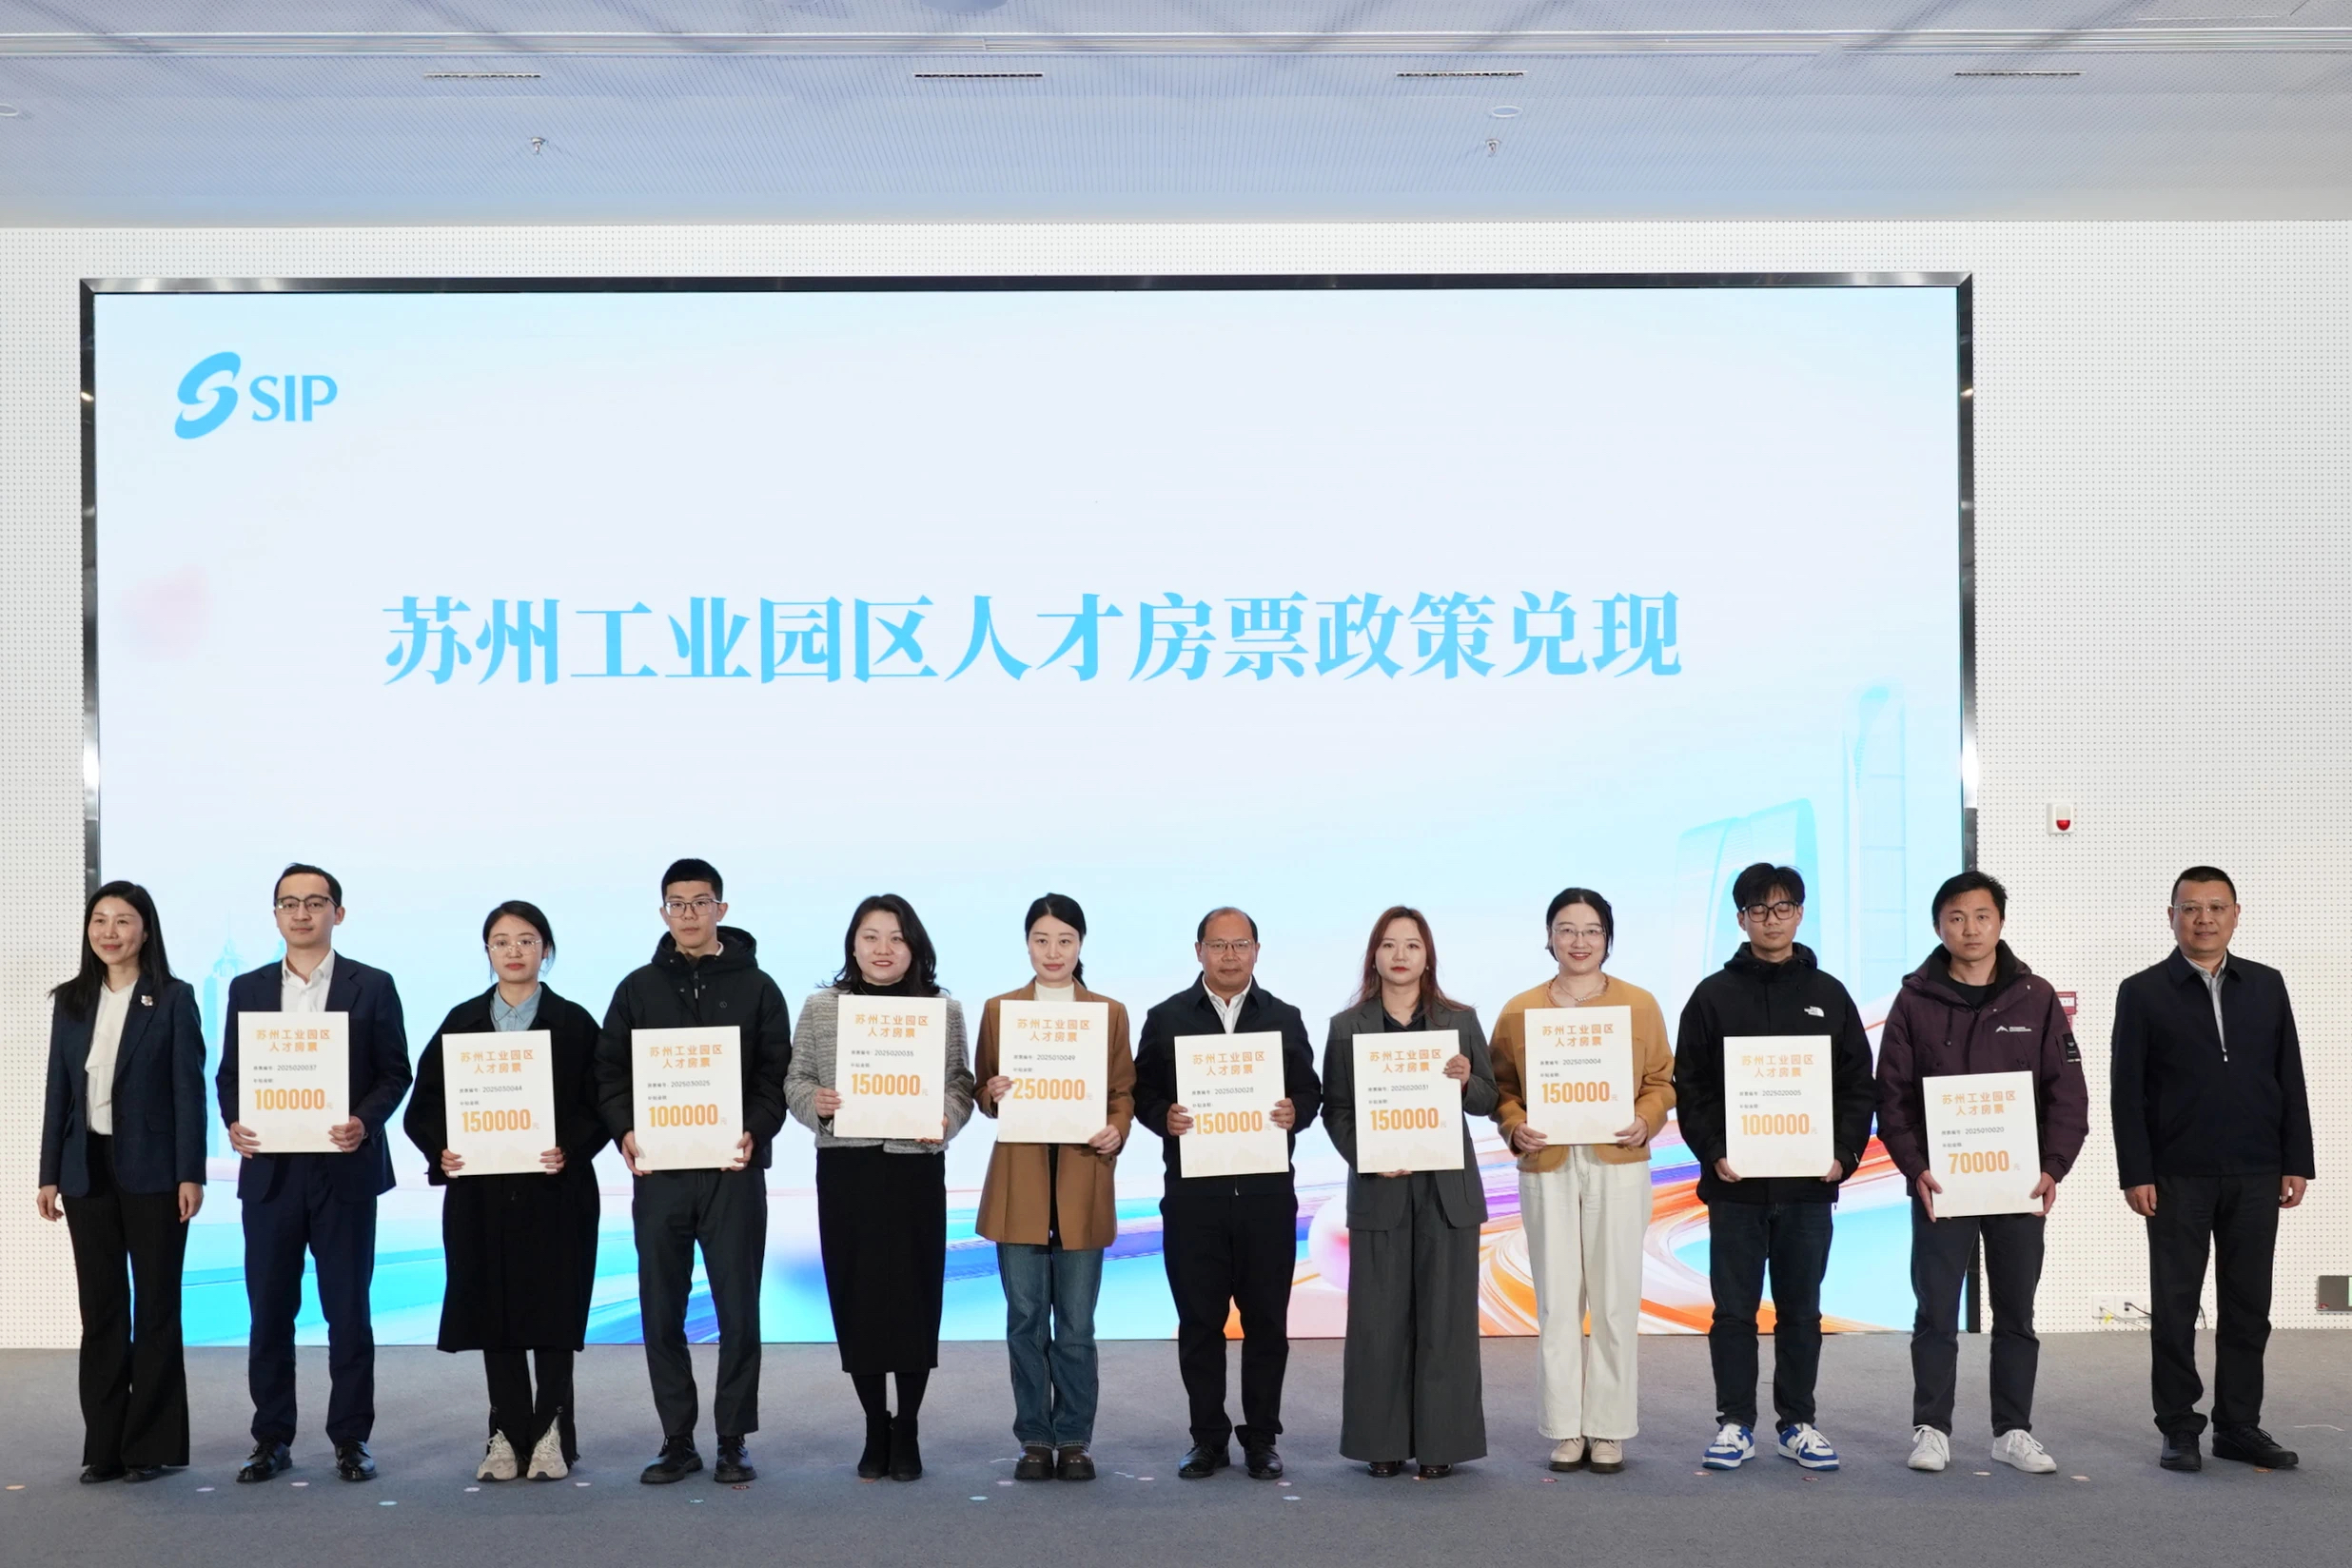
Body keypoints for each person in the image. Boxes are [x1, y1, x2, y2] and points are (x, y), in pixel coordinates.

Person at [1875, 871, 2087, 1477]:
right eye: (1956, 918)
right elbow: (1892, 1097)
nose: (1970, 929)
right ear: (1938, 926)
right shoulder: (1914, 1001)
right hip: (1942, 1185)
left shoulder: (2035, 996)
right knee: (1935, 1312)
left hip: (2017, 1183)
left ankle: (2013, 1431)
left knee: (2016, 1313)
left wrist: (2053, 1167)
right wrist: (1916, 1168)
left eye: (1981, 916)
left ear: (2000, 922)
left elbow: (2067, 1092)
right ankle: (1931, 1429)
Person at [595, 858, 793, 1486]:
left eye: (701, 902)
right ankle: (677, 1439)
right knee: (661, 1309)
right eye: (677, 904)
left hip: (733, 1170)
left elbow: (776, 1074)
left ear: (721, 910)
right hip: (662, 1175)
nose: (689, 914)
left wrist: (755, 1129)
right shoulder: (637, 989)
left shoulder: (759, 988)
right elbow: (609, 1073)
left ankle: (733, 1439)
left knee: (738, 1310)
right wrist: (625, 1130)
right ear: (663, 913)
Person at [1672, 862, 1873, 1474]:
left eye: (1783, 908)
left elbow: (1856, 1086)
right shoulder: (1712, 996)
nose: (1771, 919)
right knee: (1733, 1312)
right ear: (1741, 919)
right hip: (1735, 1187)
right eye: (1758, 910)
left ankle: (1798, 1423)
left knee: (1801, 1311)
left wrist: (1844, 1154)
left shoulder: (1829, 995)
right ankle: (1735, 1424)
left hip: (1809, 1188)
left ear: (1800, 914)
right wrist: (1714, 1151)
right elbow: (1691, 1086)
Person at [2110, 866, 2314, 1473]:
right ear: (2170, 916)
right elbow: (2127, 1093)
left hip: (2256, 1169)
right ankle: (2178, 1426)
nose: (2204, 919)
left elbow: (2290, 1075)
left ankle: (2239, 1426)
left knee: (2249, 1306)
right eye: (2191, 908)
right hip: (2177, 1174)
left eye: (2216, 907)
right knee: (2175, 1307)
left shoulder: (2267, 985)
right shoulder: (2142, 991)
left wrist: (2296, 1160)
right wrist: (2136, 1171)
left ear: (2235, 914)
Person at [216, 865, 411, 1485]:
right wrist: (235, 1121)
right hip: (270, 1175)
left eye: (315, 903)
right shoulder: (246, 987)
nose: (301, 913)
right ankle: (271, 1438)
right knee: (270, 1312)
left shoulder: (372, 985)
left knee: (348, 1312)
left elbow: (395, 1072)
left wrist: (363, 1122)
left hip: (344, 1171)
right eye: (289, 903)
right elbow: (230, 1075)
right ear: (275, 915)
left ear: (338, 913)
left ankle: (351, 1438)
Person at [403, 901, 608, 1483]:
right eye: (501, 941)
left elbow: (602, 1101)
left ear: (546, 949)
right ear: (488, 951)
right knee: (493, 1313)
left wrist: (570, 1147)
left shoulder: (574, 1023)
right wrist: (442, 1149)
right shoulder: (461, 1022)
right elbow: (424, 1107)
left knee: (553, 1313)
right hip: (481, 1196)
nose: (513, 951)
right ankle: (506, 1433)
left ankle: (551, 1434)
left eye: (526, 940)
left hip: (556, 1191)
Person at [785, 893, 975, 1483]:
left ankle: (908, 1425)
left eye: (896, 937)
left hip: (914, 1167)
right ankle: (875, 1424)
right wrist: (814, 1103)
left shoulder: (941, 1011)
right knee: (858, 1297)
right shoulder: (822, 1008)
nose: (883, 949)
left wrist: (946, 1117)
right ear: (853, 945)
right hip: (848, 1170)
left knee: (915, 1297)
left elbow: (960, 1083)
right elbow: (796, 1079)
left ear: (914, 946)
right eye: (870, 936)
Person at [1487, 887, 1676, 1476]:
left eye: (1592, 930)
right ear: (1548, 938)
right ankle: (1565, 1427)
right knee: (1557, 1301)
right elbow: (1501, 1089)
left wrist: (1647, 1117)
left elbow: (1662, 1081)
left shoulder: (1639, 1004)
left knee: (1616, 1301)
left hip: (1618, 1162)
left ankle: (1610, 1428)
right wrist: (1514, 1125)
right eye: (1566, 929)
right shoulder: (1519, 1010)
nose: (1579, 941)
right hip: (1547, 1164)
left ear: (1608, 939)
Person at [1132, 907, 1322, 1481]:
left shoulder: (1284, 1018)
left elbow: (1310, 1092)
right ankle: (1207, 1439)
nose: (1230, 955)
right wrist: (1164, 1116)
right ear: (1199, 951)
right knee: (1199, 1323)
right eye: (1218, 945)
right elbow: (1142, 1093)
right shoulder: (1166, 1018)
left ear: (1257, 950)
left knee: (1267, 1322)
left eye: (1241, 944)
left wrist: (1295, 1111)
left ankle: (1262, 1439)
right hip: (1195, 1200)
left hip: (1266, 1198)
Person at [37, 880, 206, 1483]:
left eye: (123, 921)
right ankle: (105, 1446)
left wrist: (191, 1173)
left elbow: (189, 1092)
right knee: (102, 1309)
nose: (109, 932)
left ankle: (150, 1446)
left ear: (145, 929)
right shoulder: (72, 1000)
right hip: (86, 1170)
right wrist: (48, 1174)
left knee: (157, 1305)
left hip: (155, 1172)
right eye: (99, 920)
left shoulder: (173, 998)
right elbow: (58, 1090)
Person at [1321, 906, 1499, 1480]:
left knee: (1446, 1321)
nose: (1401, 955)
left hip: (1447, 1192)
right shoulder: (1346, 1027)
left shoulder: (1459, 1020)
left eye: (1412, 945)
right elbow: (1336, 1110)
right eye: (1389, 945)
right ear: (1373, 955)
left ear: (1428, 956)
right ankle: (1383, 1442)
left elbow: (1490, 1098)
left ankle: (1441, 1442)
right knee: (1379, 1322)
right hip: (1382, 1188)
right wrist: (1370, 1155)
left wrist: (1466, 1080)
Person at [971, 894, 1136, 1482]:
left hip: (1081, 1177)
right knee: (1024, 1320)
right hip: (1019, 1182)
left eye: (1065, 940)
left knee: (1076, 1325)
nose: (1053, 951)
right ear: (1027, 945)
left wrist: (1117, 1128)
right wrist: (993, 1092)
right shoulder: (1001, 1011)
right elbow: (981, 1090)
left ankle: (1074, 1439)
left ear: (1080, 945)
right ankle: (1035, 1439)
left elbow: (1122, 1092)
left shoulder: (1108, 1014)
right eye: (1041, 940)